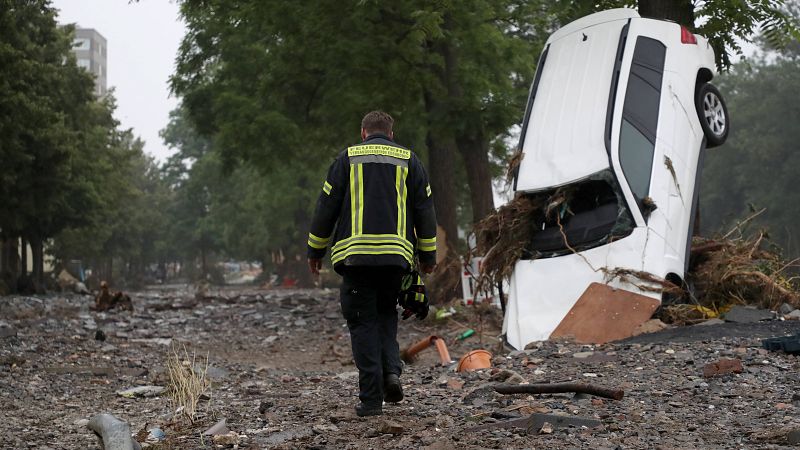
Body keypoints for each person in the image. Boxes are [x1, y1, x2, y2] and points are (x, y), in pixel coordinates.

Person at [307, 111, 437, 417]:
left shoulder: (346, 158)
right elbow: (425, 208)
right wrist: (428, 256)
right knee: (384, 317)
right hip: (396, 258)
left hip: (356, 260)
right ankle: (391, 372)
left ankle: (370, 400)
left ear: (363, 133)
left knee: (363, 323)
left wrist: (315, 250)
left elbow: (326, 206)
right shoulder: (409, 160)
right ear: (390, 134)